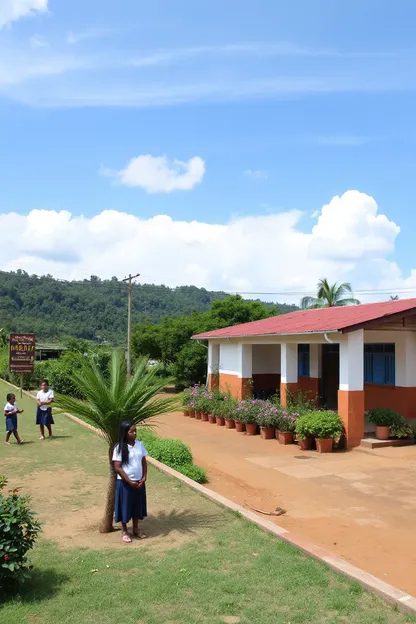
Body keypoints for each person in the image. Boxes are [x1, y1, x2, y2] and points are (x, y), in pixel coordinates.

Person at [112, 421, 148, 543]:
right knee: (125, 506)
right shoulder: (119, 447)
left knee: (137, 506)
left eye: (135, 431)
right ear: (125, 433)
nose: (134, 433)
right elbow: (117, 467)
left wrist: (144, 477)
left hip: (139, 482)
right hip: (124, 483)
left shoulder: (139, 445)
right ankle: (124, 530)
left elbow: (143, 461)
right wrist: (129, 481)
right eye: (131, 431)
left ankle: (136, 529)